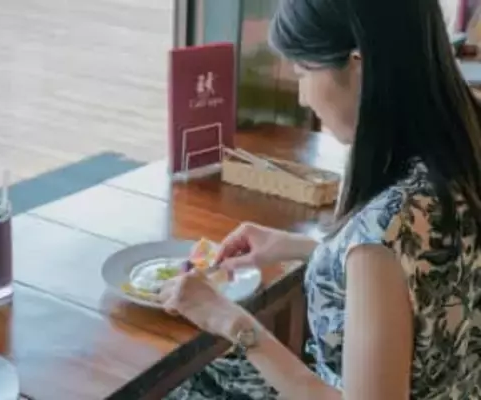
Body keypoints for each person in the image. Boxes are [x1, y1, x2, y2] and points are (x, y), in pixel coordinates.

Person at [161, 0, 481, 399]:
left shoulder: (383, 229)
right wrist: (306, 247)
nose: (302, 97)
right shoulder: (461, 146)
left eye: (303, 72)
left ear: (359, 65)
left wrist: (232, 323)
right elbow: (422, 277)